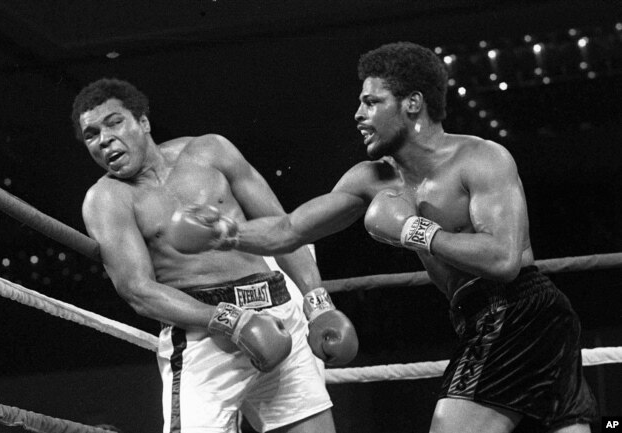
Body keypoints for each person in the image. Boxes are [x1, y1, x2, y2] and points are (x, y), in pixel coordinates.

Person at [191, 42, 598, 432]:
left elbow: (503, 260)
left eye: (371, 102)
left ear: (412, 103)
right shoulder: (371, 178)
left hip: (518, 312)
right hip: (479, 318)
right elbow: (289, 229)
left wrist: (411, 229)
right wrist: (226, 233)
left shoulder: (480, 159)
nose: (358, 114)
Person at [72, 78, 358, 433]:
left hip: (278, 311)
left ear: (143, 122)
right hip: (204, 336)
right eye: (91, 134)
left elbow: (284, 230)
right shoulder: (107, 200)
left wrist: (318, 304)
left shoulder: (211, 151)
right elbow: (137, 290)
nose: (104, 139)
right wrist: (229, 321)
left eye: (114, 122)